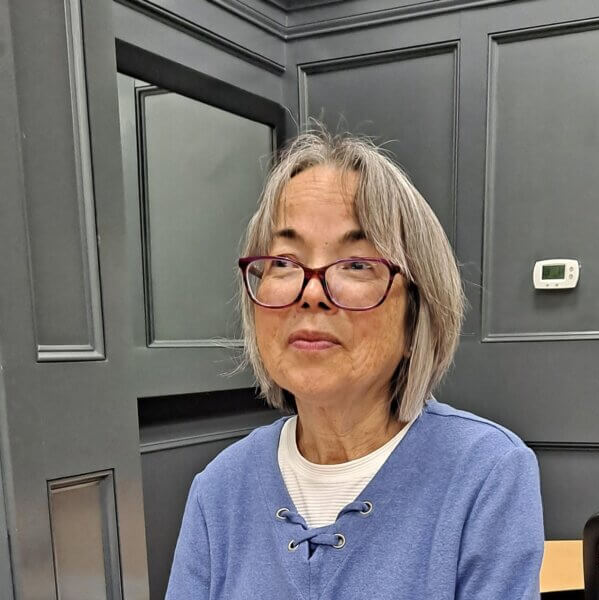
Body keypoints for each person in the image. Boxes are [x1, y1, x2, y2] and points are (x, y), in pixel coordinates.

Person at [164, 123, 545, 599]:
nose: (311, 292)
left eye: (358, 264)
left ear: (416, 312)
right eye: (283, 261)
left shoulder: (485, 474)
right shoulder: (219, 488)